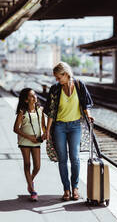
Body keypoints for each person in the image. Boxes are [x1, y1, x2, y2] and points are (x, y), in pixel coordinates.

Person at [44, 62, 94, 201]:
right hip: (59, 126)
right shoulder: (55, 89)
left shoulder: (79, 85)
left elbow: (85, 104)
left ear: (66, 74)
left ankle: (75, 188)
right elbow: (51, 112)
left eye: (58, 77)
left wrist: (88, 115)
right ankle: (66, 189)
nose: (56, 80)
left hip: (75, 126)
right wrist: (47, 131)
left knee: (75, 158)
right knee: (62, 160)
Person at [13, 88, 46, 201]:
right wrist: (29, 137)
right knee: (27, 164)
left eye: (34, 95)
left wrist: (45, 134)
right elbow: (16, 129)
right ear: (26, 100)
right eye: (31, 96)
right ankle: (32, 190)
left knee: (37, 166)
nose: (35, 97)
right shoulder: (22, 111)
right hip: (25, 141)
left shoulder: (40, 110)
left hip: (36, 141)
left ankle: (30, 181)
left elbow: (43, 126)